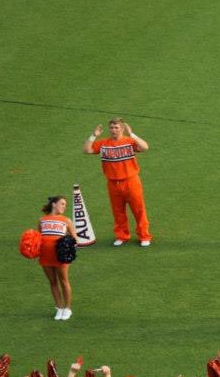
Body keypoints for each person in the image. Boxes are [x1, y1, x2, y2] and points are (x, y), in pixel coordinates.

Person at [83, 117, 152, 247]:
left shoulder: (129, 141)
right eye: (111, 127)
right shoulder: (103, 143)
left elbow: (145, 147)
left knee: (138, 210)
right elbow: (86, 150)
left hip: (131, 181)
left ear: (122, 129)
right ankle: (122, 236)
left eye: (116, 127)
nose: (113, 130)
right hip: (113, 183)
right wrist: (93, 135)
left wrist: (132, 134)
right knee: (118, 211)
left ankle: (144, 236)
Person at [38, 196, 74, 321]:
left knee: (64, 281)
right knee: (52, 281)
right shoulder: (42, 220)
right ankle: (59, 308)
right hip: (45, 255)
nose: (64, 206)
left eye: (65, 204)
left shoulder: (66, 220)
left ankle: (67, 309)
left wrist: (68, 244)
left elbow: (75, 238)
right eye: (62, 204)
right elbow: (39, 237)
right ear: (54, 204)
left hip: (61, 256)